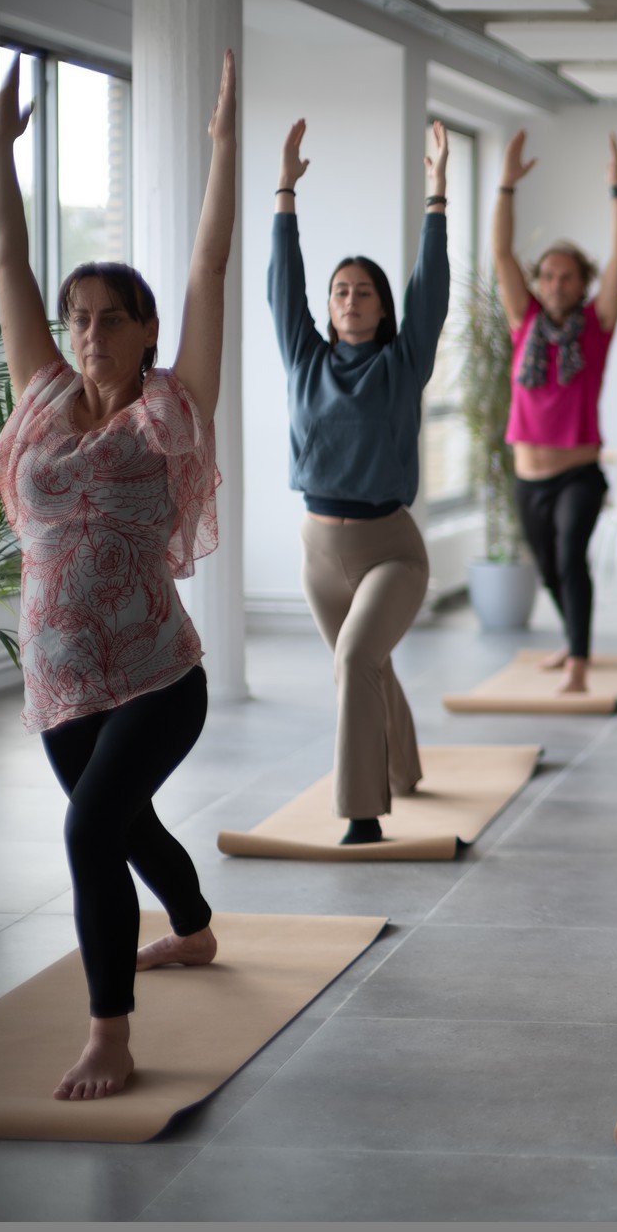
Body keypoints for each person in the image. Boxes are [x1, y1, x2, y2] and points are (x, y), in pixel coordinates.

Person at [0, 53, 236, 1101]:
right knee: (126, 824)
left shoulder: (170, 407)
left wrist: (224, 150)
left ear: (146, 332)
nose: (90, 332)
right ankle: (195, 926)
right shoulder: (41, 396)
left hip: (157, 676)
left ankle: (109, 1035)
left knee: (90, 828)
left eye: (112, 317)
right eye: (78, 316)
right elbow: (8, 257)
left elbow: (208, 270)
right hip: (59, 684)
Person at [270, 118, 449, 845]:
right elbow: (283, 283)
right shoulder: (304, 358)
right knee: (365, 665)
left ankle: (363, 814)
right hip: (319, 550)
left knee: (354, 658)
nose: (350, 299)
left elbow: (430, 291)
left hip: (390, 549)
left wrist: (437, 196)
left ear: (381, 306)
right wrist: (285, 191)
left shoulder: (403, 363)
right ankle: (403, 766)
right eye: (340, 291)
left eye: (364, 291)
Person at [493, 130, 617, 695]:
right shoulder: (523, 321)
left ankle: (578, 661)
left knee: (570, 558)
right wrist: (505, 185)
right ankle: (573, 641)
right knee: (549, 569)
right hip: (528, 476)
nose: (555, 284)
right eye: (547, 275)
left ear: (582, 284)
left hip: (578, 473)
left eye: (566, 276)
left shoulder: (596, 325)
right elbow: (502, 253)